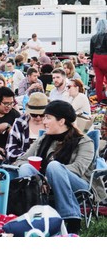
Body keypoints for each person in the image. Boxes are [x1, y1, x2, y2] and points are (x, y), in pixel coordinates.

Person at [15, 100, 107, 234]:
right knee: (25, 168)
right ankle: (34, 216)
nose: (43, 121)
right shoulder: (44, 139)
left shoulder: (84, 142)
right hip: (45, 181)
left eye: (47, 117)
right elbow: (21, 160)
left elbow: (78, 168)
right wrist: (36, 174)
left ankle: (71, 219)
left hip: (79, 183)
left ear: (61, 121)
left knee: (54, 166)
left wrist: (48, 176)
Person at [5, 92, 48, 163]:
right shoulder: (20, 122)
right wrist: (29, 158)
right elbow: (10, 150)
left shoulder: (52, 123)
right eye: (34, 114)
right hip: (23, 163)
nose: (38, 117)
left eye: (41, 114)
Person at [90, 19, 107, 102]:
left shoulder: (93, 37)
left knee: (99, 81)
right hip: (105, 58)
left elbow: (91, 52)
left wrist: (92, 62)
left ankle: (100, 100)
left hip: (96, 58)